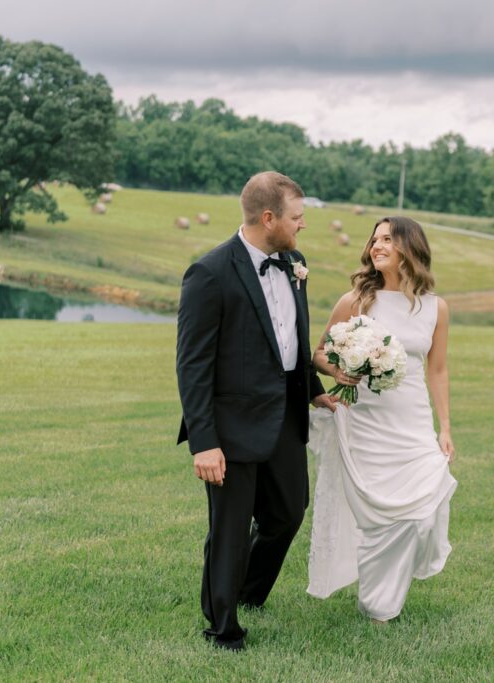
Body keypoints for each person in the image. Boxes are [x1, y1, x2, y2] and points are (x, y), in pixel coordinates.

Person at [176, 171, 337, 650]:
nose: (302, 226)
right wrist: (204, 442)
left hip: (286, 416)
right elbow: (193, 365)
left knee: (288, 512)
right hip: (231, 425)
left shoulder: (295, 263)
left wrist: (312, 391)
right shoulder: (209, 273)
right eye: (296, 218)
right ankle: (222, 627)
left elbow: (293, 339)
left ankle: (248, 591)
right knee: (228, 528)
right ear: (269, 218)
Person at [307, 216, 457, 623]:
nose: (377, 246)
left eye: (388, 239)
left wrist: (444, 428)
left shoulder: (435, 308)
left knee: (423, 511)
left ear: (410, 246)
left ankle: (389, 589)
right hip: (365, 422)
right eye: (374, 240)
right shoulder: (355, 300)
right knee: (377, 517)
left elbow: (437, 369)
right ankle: (378, 604)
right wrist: (339, 370)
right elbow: (318, 352)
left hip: (412, 424)